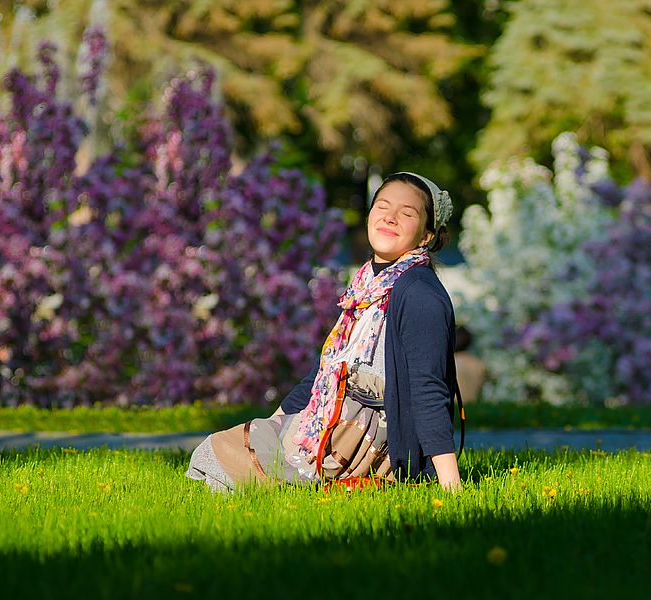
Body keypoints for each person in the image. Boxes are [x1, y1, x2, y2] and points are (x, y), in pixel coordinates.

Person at [186, 172, 463, 493]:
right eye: (382, 206)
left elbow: (427, 389)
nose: (390, 217)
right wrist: (275, 423)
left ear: (427, 236)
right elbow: (328, 371)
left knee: (217, 460)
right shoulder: (367, 285)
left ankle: (336, 480)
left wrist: (450, 486)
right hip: (336, 416)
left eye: (407, 213)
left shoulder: (418, 291)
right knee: (217, 453)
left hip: (366, 434)